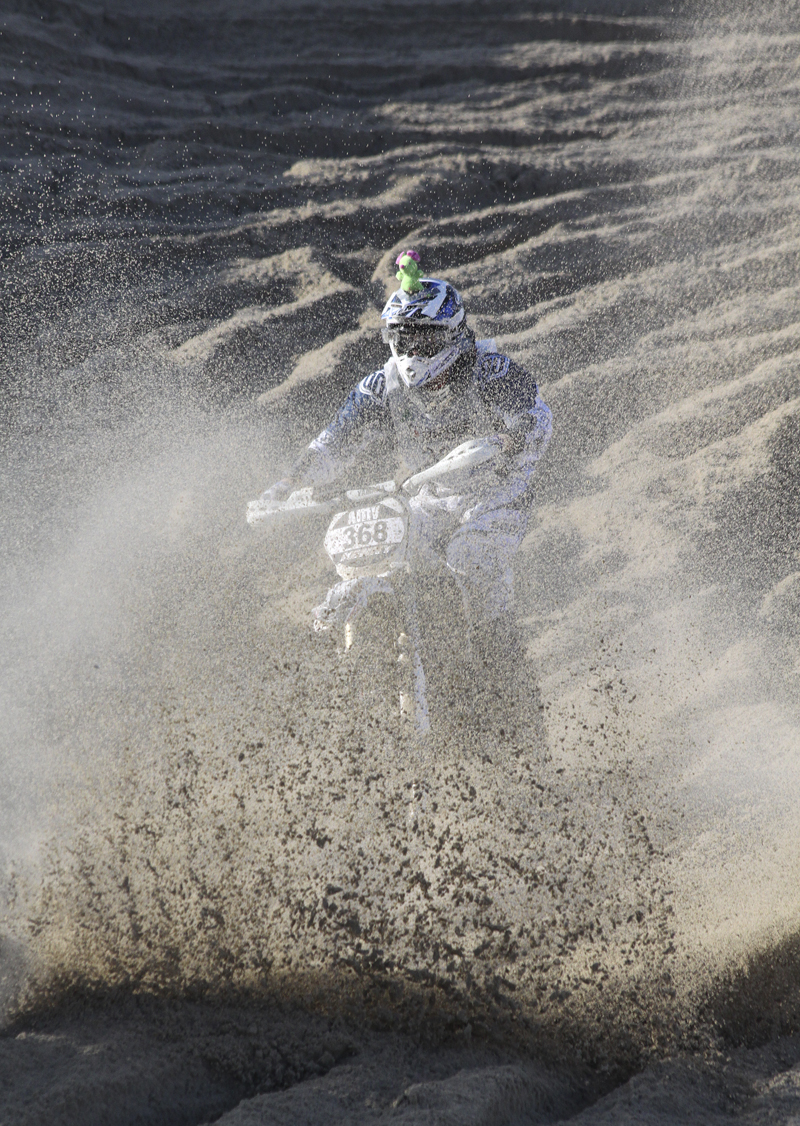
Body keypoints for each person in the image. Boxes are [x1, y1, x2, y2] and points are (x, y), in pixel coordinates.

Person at [256, 251, 552, 668]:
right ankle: (342, 656)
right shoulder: (382, 384)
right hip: (427, 494)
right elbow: (331, 444)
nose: (412, 351)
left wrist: (509, 438)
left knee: (472, 562)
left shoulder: (488, 369)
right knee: (387, 556)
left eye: (424, 339)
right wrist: (283, 488)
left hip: (495, 491)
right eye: (402, 338)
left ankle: (503, 676)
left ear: (451, 335)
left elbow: (536, 415)